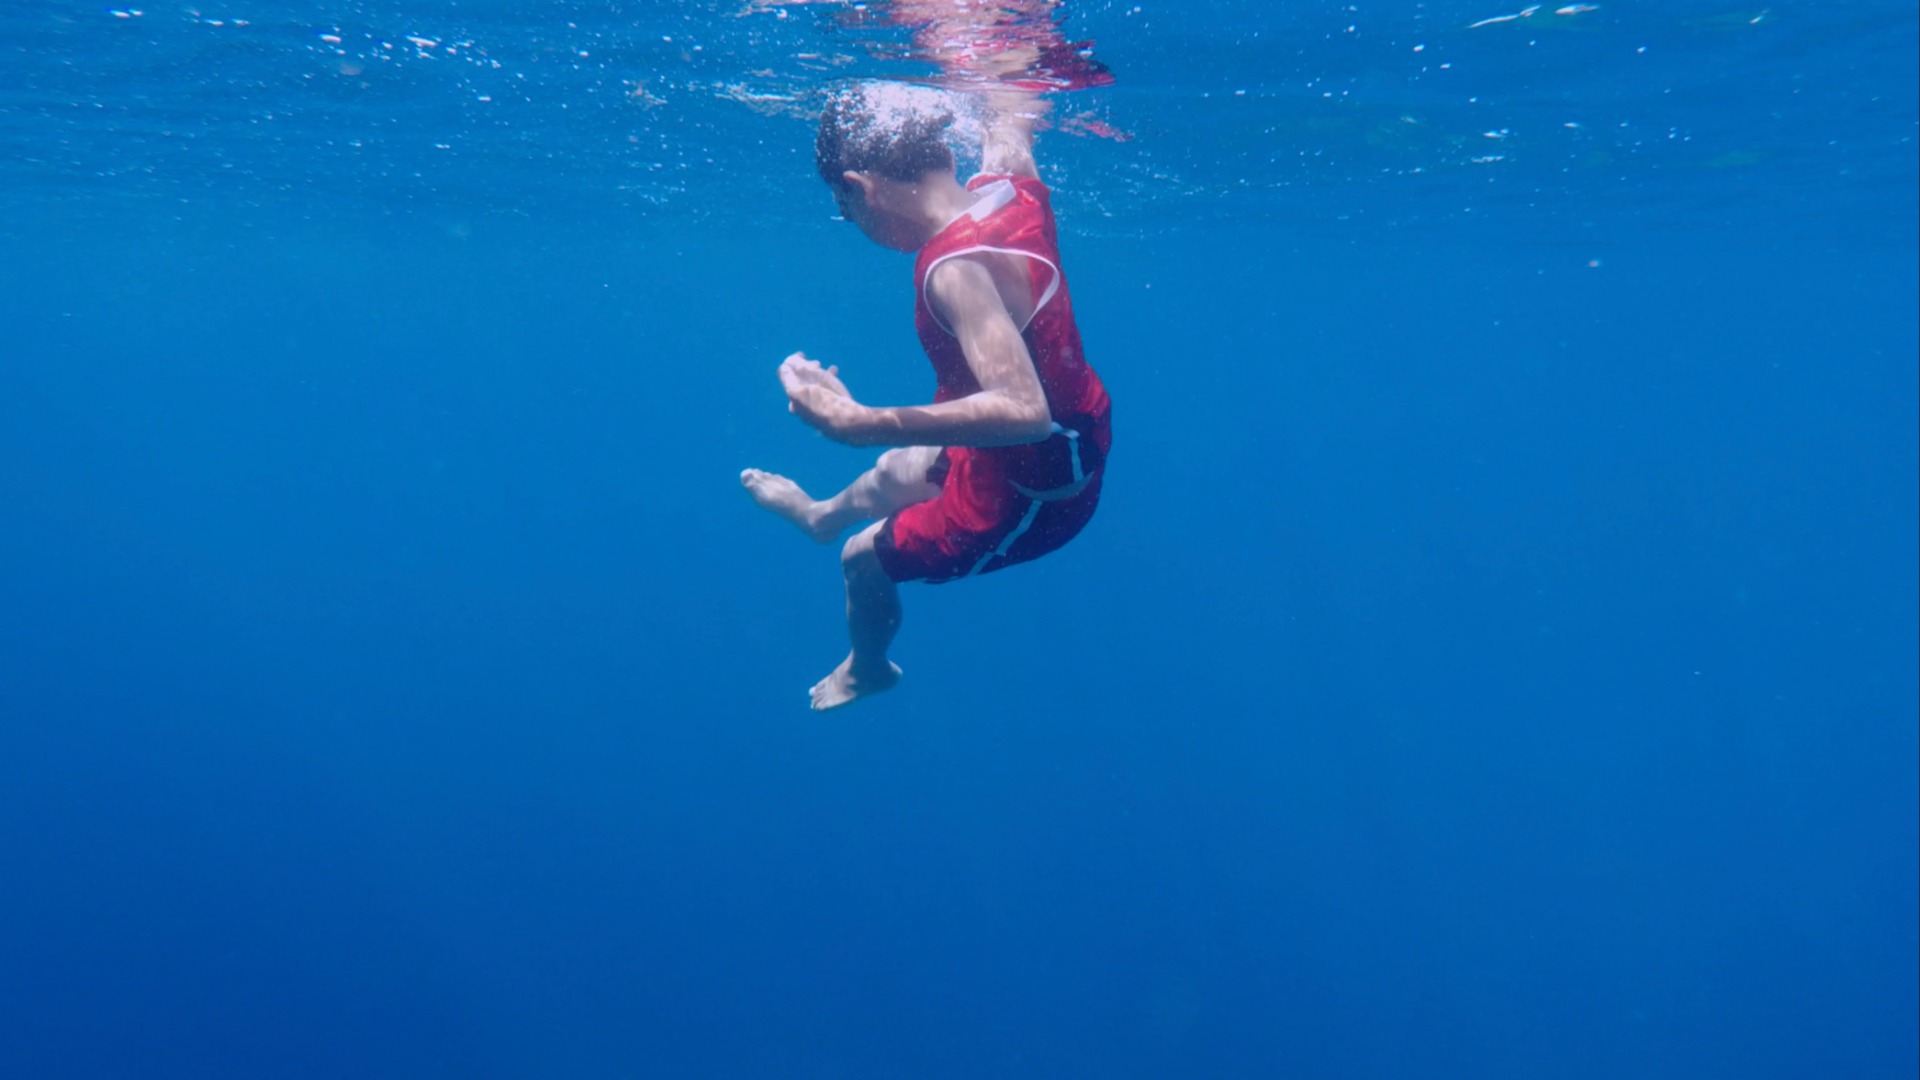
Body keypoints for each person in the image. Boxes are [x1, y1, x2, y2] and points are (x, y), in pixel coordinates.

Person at [740, 80, 1112, 711]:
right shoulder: (1007, 185)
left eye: (843, 207)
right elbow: (1011, 122)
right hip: (1041, 442)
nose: (851, 222)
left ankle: (868, 668)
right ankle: (819, 517)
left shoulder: (953, 269)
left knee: (863, 557)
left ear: (860, 186)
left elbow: (1025, 412)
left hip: (1035, 495)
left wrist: (859, 423)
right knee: (898, 470)